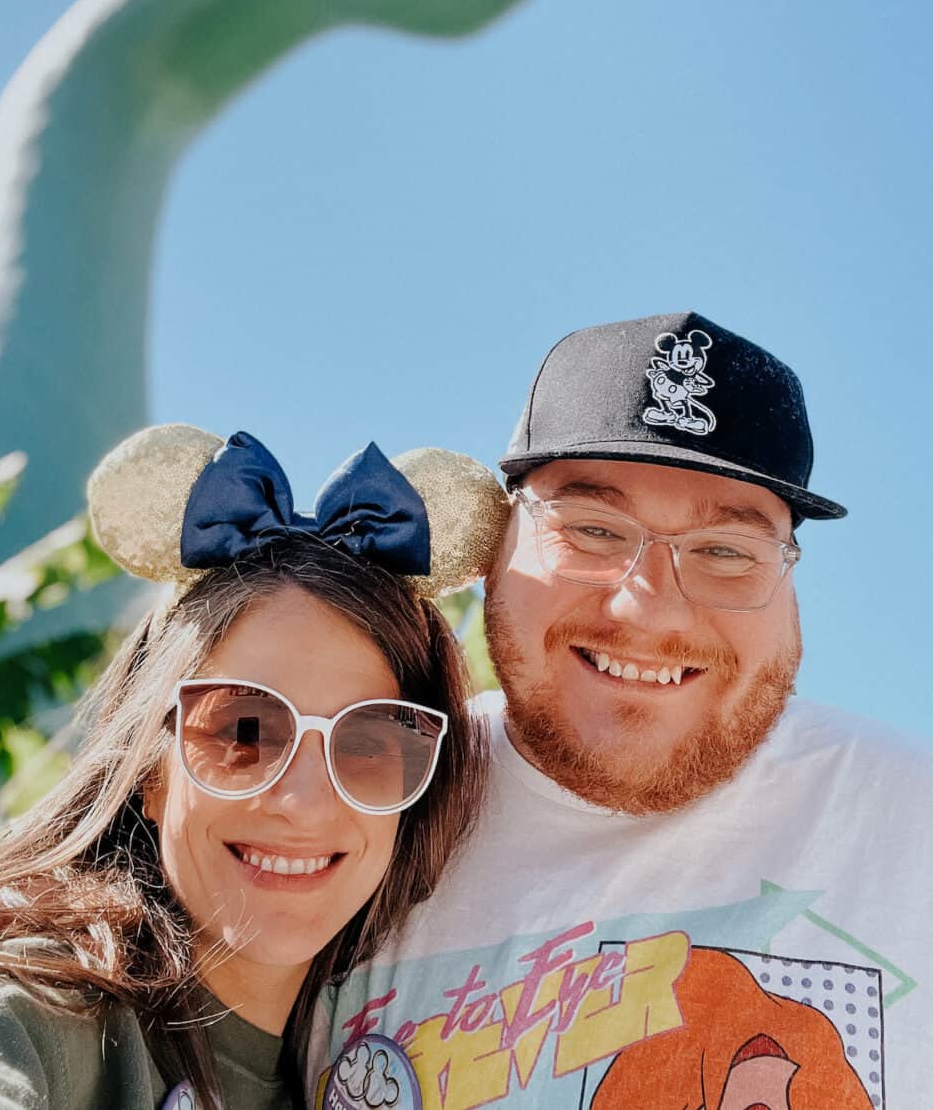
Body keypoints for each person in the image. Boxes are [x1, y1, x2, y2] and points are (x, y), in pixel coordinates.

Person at [309, 312, 933, 1110]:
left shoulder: (914, 825)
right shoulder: (356, 794)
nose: (650, 609)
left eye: (725, 551)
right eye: (594, 530)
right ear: (490, 548)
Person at [0, 424, 507, 1108]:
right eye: (245, 731)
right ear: (151, 769)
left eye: (366, 745)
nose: (303, 802)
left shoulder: (394, 1052)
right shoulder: (26, 1017)